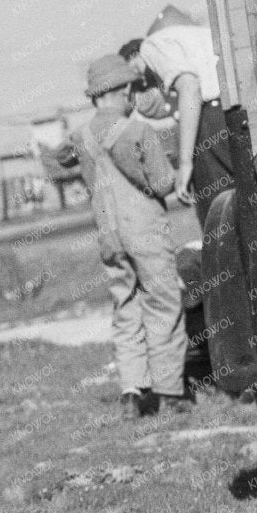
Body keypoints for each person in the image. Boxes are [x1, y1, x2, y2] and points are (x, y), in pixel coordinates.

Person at [65, 54, 188, 418]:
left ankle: (132, 391)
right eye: (130, 90)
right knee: (163, 303)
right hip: (145, 231)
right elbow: (163, 182)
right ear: (120, 90)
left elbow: (55, 162)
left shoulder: (80, 136)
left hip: (109, 237)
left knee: (126, 308)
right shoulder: (138, 131)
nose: (132, 97)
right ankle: (169, 393)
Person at [135, 5, 232, 212]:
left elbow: (189, 86)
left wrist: (185, 162)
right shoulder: (205, 34)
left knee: (220, 211)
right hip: (232, 112)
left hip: (209, 123)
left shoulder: (152, 45)